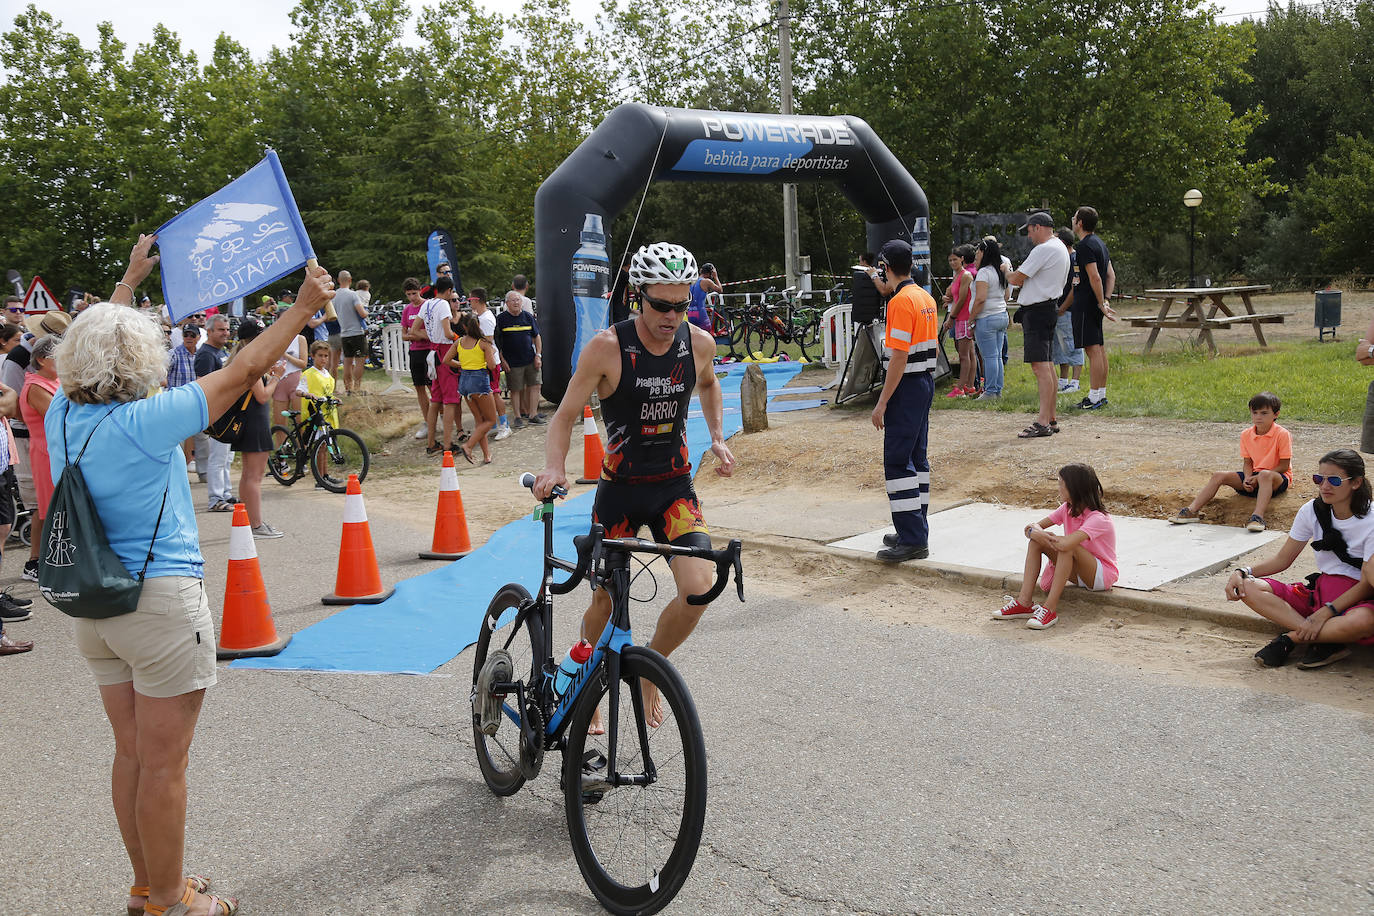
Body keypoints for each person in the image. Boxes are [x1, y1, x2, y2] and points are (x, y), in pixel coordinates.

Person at [51, 233, 331, 916]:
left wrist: (125, 281)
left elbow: (97, 349)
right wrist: (300, 309)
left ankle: (149, 886)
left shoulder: (60, 415)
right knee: (165, 765)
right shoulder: (148, 421)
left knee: (133, 758)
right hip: (160, 607)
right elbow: (242, 371)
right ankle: (174, 903)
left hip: (95, 609)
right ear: (141, 358)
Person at [533, 241, 735, 729]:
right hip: (619, 492)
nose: (671, 316)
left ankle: (650, 671)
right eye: (660, 305)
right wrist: (556, 468)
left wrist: (717, 436)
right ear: (636, 296)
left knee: (700, 589)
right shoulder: (607, 348)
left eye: (681, 304)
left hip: (673, 490)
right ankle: (586, 687)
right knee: (604, 603)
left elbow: (708, 383)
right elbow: (562, 417)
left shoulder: (698, 343)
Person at [1229, 449, 1374, 669]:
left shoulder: (1371, 519)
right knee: (1247, 587)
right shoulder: (1311, 511)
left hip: (1359, 599)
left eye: (1334, 480)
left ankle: (1292, 638)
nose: (1324, 486)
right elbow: (1282, 560)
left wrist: (1326, 612)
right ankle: (1326, 640)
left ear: (1356, 483)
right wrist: (1243, 572)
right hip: (1321, 594)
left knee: (1363, 621)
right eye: (1319, 479)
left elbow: (1367, 582)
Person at [870, 238, 939, 562]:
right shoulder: (925, 296)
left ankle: (912, 538)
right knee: (917, 459)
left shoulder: (899, 302)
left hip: (906, 385)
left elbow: (898, 357)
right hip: (924, 381)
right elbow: (935, 349)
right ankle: (914, 526)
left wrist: (882, 401)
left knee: (898, 461)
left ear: (885, 268)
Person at [995, 463, 1119, 630]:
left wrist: (1038, 533)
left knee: (1067, 546)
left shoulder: (1099, 518)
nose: (1058, 488)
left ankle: (1050, 609)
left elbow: (1067, 544)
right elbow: (1031, 528)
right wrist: (1036, 533)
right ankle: (1024, 602)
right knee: (1036, 543)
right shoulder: (1066, 509)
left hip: (1100, 575)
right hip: (1078, 571)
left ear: (1074, 488)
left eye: (1061, 484)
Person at [1169, 391, 1291, 532]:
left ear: (1276, 414)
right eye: (1255, 412)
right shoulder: (1246, 434)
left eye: (1264, 413)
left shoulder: (1282, 434)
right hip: (1255, 477)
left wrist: (1258, 477)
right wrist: (1247, 478)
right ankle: (1192, 510)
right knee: (1218, 475)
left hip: (1276, 479)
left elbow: (1284, 465)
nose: (1258, 417)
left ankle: (1257, 517)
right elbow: (1247, 463)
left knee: (1264, 474)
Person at [1008, 212, 1071, 439]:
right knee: (1047, 365)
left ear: (1038, 227)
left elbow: (1017, 278)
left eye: (1030, 231)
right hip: (1047, 308)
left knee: (1040, 367)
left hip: (1038, 311)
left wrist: (1006, 271)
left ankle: (1043, 421)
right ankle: (1051, 418)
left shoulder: (1044, 249)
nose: (1029, 236)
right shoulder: (1059, 247)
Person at [227, 319, 286, 538]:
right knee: (254, 476)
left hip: (250, 421)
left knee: (248, 475)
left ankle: (249, 521)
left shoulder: (244, 358)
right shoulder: (250, 359)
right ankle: (256, 525)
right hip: (254, 421)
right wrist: (276, 377)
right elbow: (261, 396)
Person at [19, 335, 61, 582]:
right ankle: (34, 560)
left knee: (53, 507)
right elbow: (57, 415)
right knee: (45, 509)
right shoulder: (36, 386)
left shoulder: (53, 381)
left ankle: (49, 557)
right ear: (43, 359)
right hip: (45, 451)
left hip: (55, 448)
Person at [1069, 206, 1117, 409]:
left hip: (1087, 303)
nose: (1072, 219)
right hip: (1095, 301)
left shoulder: (1085, 246)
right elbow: (1110, 275)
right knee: (1099, 349)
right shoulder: (1100, 243)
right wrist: (1105, 299)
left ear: (1080, 223)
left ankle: (1094, 397)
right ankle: (1100, 394)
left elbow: (1095, 276)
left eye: (1074, 217)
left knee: (1093, 350)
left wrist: (1099, 302)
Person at [412, 277, 460, 455]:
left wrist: (430, 336)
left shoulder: (427, 304)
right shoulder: (443, 305)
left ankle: (432, 442)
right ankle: (448, 444)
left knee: (435, 399)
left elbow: (414, 330)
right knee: (450, 401)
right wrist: (460, 339)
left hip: (432, 352)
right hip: (445, 352)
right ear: (449, 291)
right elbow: (448, 333)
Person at [444, 313, 498, 463]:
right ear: (478, 325)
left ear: (464, 326)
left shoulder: (459, 342)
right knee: (490, 420)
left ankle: (487, 456)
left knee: (479, 421)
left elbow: (446, 360)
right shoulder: (483, 343)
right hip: (479, 382)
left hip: (464, 382)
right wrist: (489, 354)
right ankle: (468, 446)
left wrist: (462, 365)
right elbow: (492, 365)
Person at [195, 316, 235, 512]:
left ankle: (226, 492)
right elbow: (203, 385)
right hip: (217, 412)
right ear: (209, 331)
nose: (225, 333)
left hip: (228, 411)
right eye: (220, 330)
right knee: (218, 458)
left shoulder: (222, 352)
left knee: (227, 457)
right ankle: (216, 498)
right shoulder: (206, 354)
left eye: (227, 329)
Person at [495, 289, 544, 428]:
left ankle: (533, 415)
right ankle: (517, 417)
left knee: (535, 385)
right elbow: (497, 342)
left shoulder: (528, 317)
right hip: (512, 362)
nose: (516, 302)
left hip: (530, 358)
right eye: (513, 300)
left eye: (518, 300)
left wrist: (538, 355)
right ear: (507, 303)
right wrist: (502, 360)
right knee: (515, 389)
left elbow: (537, 336)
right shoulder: (501, 319)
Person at [969, 238, 1010, 400]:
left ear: (984, 252)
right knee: (997, 356)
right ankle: (997, 389)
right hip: (1001, 315)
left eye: (978, 251)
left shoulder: (984, 273)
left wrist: (971, 319)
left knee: (990, 357)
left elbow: (980, 299)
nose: (976, 254)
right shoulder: (999, 271)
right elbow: (1006, 294)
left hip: (987, 318)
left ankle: (991, 391)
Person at [467, 289, 512, 441]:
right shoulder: (481, 316)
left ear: (477, 300)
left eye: (470, 300)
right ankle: (493, 425)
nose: (469, 303)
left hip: (489, 363)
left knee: (495, 393)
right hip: (485, 362)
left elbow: (487, 342)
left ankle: (504, 425)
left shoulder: (485, 318)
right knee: (489, 394)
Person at [940, 245, 978, 397]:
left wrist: (951, 318)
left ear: (962, 259)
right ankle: (969, 386)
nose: (952, 263)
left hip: (964, 318)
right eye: (950, 260)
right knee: (969, 353)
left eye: (955, 259)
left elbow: (962, 299)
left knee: (964, 355)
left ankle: (961, 388)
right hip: (960, 317)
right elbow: (952, 294)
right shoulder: (957, 275)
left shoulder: (966, 275)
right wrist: (946, 298)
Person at [1052, 227, 1085, 393]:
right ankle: (1063, 379)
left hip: (1069, 310)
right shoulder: (1061, 258)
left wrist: (1063, 308)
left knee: (1072, 344)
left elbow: (1075, 287)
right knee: (1059, 346)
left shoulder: (1074, 258)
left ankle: (1075, 381)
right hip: (1059, 309)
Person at [165, 325, 202, 472]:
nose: (188, 338)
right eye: (186, 334)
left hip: (196, 401)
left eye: (192, 335)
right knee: (178, 437)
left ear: (198, 337)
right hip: (177, 402)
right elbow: (162, 370)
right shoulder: (173, 354)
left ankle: (201, 468)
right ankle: (177, 468)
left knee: (199, 436)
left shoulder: (201, 355)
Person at [399, 278, 431, 440]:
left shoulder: (428, 306)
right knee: (420, 388)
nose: (412, 297)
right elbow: (404, 335)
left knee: (433, 388)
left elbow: (430, 334)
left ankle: (440, 417)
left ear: (420, 291)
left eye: (415, 293)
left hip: (429, 352)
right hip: (415, 352)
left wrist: (415, 333)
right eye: (409, 294)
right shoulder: (407, 310)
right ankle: (427, 421)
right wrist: (416, 334)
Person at [333, 270, 367, 396]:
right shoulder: (353, 295)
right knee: (359, 361)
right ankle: (357, 388)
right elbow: (362, 313)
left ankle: (348, 388)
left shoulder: (334, 296)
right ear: (350, 280)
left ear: (338, 280)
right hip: (356, 332)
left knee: (347, 362)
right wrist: (366, 313)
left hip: (344, 333)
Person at [687, 262, 723, 335]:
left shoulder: (692, 281)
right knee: (706, 336)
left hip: (690, 313)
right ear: (711, 273)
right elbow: (720, 290)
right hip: (700, 313)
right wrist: (716, 277)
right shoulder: (707, 281)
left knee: (693, 336)